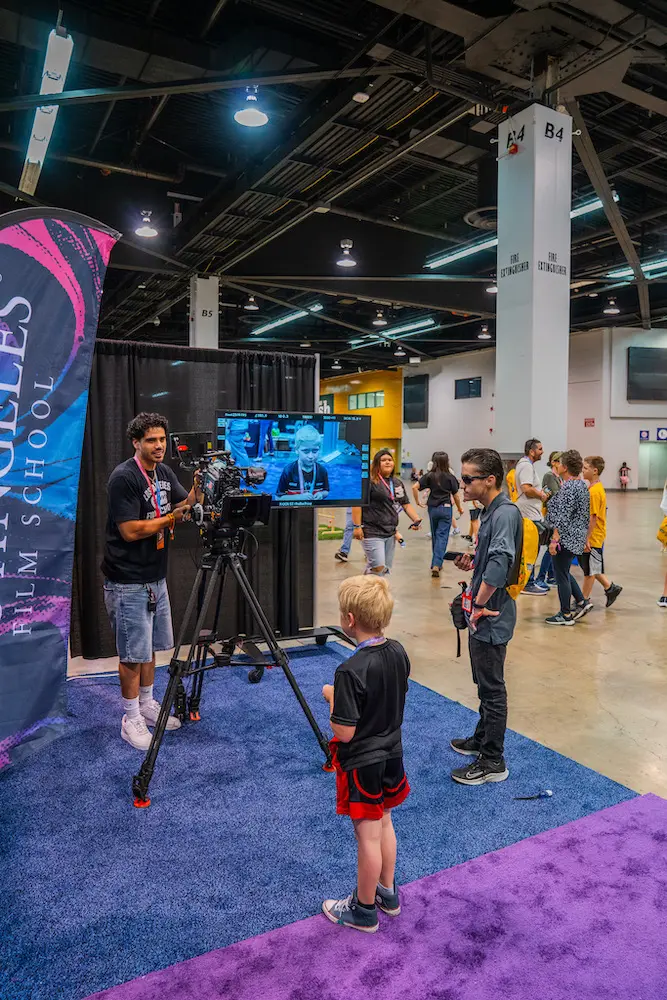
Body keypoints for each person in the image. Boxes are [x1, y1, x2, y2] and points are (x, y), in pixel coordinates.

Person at [102, 412, 202, 750]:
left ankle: (146, 704)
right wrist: (170, 518)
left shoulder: (164, 472)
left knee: (148, 651)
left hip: (155, 577)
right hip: (127, 580)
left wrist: (199, 487)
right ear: (136, 442)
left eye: (162, 439)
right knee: (132, 655)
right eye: (151, 440)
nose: (159, 446)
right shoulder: (124, 477)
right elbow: (130, 531)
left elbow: (185, 504)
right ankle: (130, 718)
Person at [321, 575, 410, 933]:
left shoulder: (349, 670)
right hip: (393, 753)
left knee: (367, 836)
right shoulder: (399, 651)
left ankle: (364, 908)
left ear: (349, 620)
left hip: (363, 763)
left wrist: (332, 696)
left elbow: (344, 731)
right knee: (385, 821)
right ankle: (387, 892)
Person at [450, 448, 523, 786]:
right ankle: (482, 739)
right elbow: (490, 558)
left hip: (491, 614)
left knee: (492, 689)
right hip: (484, 613)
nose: (462, 485)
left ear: (490, 480)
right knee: (483, 683)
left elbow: (501, 561)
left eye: (468, 479)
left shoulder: (504, 513)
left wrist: (478, 604)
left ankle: (493, 760)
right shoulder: (490, 511)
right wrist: (472, 560)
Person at [352, 449, 421, 575]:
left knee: (384, 569)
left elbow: (405, 504)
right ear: (377, 464)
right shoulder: (369, 482)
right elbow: (357, 504)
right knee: (377, 566)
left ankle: (372, 587)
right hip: (372, 530)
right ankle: (365, 586)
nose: (387, 462)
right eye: (383, 460)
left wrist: (416, 519)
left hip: (390, 532)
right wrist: (357, 527)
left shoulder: (397, 483)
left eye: (390, 460)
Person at [543, 450, 590, 626]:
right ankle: (581, 601)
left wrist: (554, 540)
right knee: (563, 571)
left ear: (565, 467)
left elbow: (563, 517)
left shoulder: (569, 487)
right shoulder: (581, 485)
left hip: (566, 538)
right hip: (576, 535)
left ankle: (565, 614)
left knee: (561, 575)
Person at [412, 451, 464, 578]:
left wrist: (417, 502)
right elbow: (456, 495)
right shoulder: (450, 477)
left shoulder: (429, 476)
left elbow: (414, 487)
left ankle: (436, 562)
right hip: (446, 509)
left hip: (432, 509)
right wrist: (459, 508)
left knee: (435, 535)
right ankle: (437, 563)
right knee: (442, 536)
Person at [581, 456, 622, 608]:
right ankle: (610, 588)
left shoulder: (594, 492)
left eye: (585, 468)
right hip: (594, 535)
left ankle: (583, 599)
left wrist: (586, 538)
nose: (582, 470)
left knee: (590, 570)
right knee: (592, 566)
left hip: (593, 536)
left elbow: (593, 517)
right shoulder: (593, 488)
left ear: (595, 470)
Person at [514, 438, 549, 595]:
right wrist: (541, 495)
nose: (542, 452)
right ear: (531, 451)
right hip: (529, 514)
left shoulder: (526, 465)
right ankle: (528, 583)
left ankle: (527, 581)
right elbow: (526, 488)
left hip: (530, 512)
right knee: (531, 550)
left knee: (530, 549)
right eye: (540, 449)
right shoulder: (526, 466)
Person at [276, 424, 329, 499]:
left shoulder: (322, 470)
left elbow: (326, 491)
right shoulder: (288, 470)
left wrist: (321, 494)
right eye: (306, 451)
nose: (311, 456)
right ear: (296, 450)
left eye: (315, 451)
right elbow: (278, 497)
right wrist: (299, 498)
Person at [535, 451, 562, 588]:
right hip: (552, 515)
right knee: (551, 546)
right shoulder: (549, 476)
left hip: (557, 515)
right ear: (554, 462)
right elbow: (556, 495)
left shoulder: (558, 477)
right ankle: (540, 577)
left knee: (553, 547)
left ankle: (551, 576)